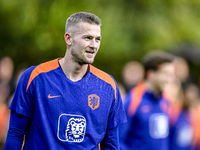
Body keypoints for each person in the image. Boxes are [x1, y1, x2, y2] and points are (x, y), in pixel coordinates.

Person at [5, 12, 127, 150]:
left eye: (97, 39)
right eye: (88, 38)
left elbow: (111, 144)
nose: (94, 45)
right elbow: (15, 133)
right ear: (68, 38)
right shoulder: (35, 77)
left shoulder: (108, 86)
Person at [119, 51, 175, 150]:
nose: (169, 79)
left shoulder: (165, 101)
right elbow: (119, 140)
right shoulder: (133, 101)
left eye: (171, 75)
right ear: (151, 74)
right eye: (166, 74)